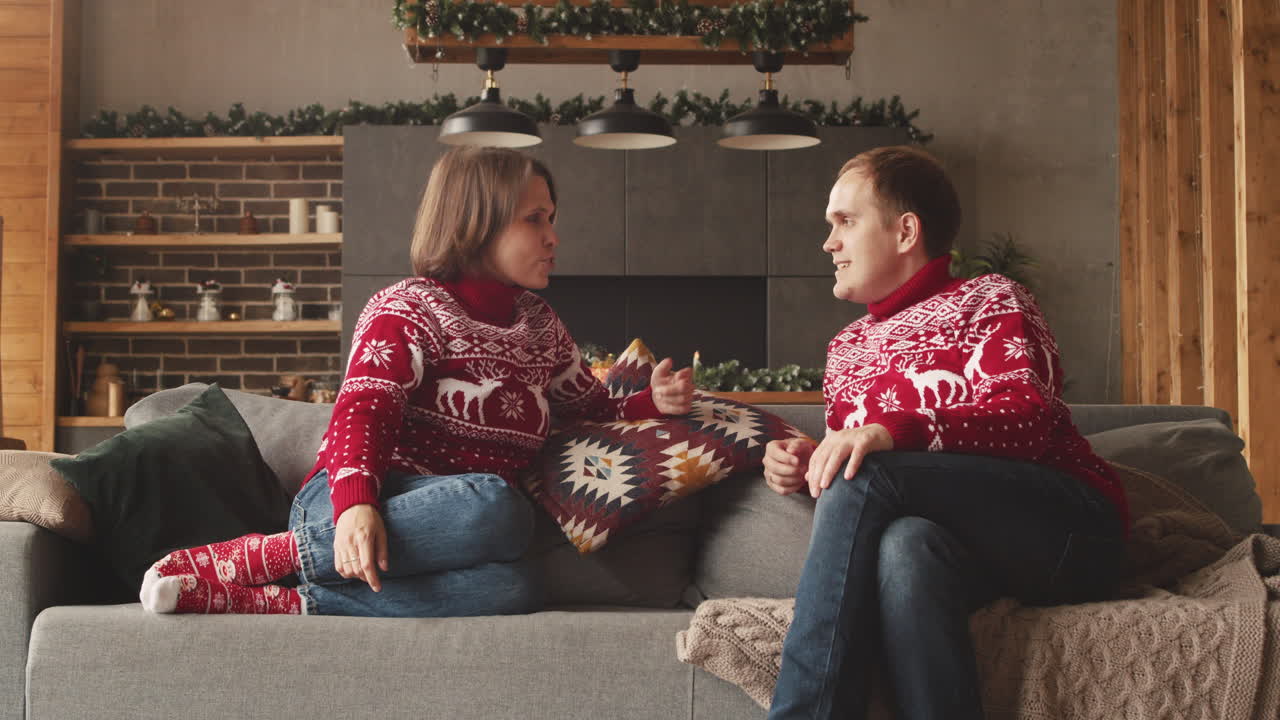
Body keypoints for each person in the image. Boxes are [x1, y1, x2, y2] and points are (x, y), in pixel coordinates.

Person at [139, 147, 694, 617]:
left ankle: (273, 601)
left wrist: (652, 401)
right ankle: (267, 556)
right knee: (499, 507)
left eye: (552, 218)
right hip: (359, 501)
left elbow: (585, 408)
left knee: (514, 587)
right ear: (478, 222)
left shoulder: (540, 326)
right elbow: (363, 411)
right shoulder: (409, 308)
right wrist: (357, 506)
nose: (553, 237)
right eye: (534, 219)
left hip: (456, 525)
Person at [762, 146, 1128, 720]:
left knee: (870, 476)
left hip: (1069, 531)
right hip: (957, 549)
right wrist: (811, 459)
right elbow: (865, 472)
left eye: (845, 222)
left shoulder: (990, 299)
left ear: (906, 230)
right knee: (904, 548)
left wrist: (888, 434)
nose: (828, 243)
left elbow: (1027, 421)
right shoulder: (845, 348)